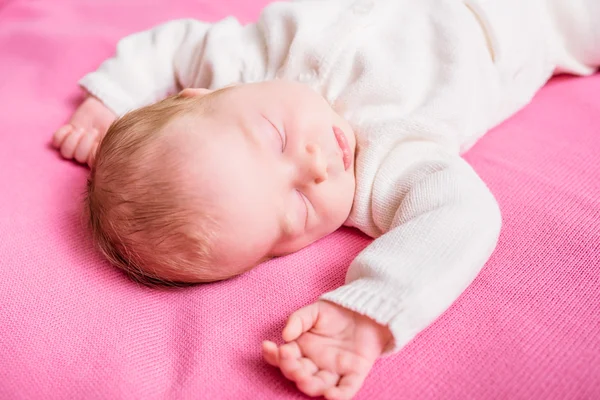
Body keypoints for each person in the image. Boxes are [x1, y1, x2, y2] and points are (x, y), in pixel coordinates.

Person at [51, 0, 600, 398]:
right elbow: (460, 217)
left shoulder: (240, 66)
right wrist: (371, 311)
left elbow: (173, 42)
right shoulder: (387, 164)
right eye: (297, 210)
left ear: (204, 94)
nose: (316, 166)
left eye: (275, 137)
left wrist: (112, 96)